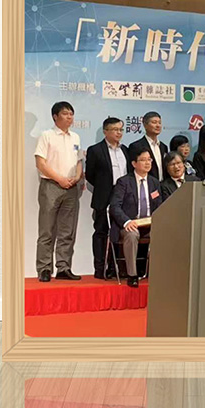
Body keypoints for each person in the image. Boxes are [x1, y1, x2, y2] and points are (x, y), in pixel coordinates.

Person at [34, 101, 84, 282]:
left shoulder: (75, 137)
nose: (69, 117)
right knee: (47, 230)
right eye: (65, 113)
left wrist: (77, 177)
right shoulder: (46, 136)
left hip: (71, 187)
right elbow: (40, 163)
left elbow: (79, 161)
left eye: (71, 113)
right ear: (55, 116)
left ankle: (63, 267)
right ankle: (44, 269)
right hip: (51, 186)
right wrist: (59, 179)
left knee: (67, 230)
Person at [109, 150, 163, 287]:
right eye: (143, 160)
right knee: (132, 234)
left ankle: (159, 273)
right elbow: (115, 206)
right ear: (134, 163)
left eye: (149, 159)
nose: (147, 163)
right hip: (129, 224)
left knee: (164, 233)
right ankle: (132, 275)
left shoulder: (154, 182)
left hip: (150, 224)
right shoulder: (124, 182)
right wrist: (126, 221)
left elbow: (160, 205)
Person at [85, 116, 129, 279]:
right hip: (104, 197)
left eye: (121, 129)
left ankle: (114, 268)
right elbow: (90, 175)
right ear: (105, 131)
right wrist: (104, 187)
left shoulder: (125, 150)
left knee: (118, 233)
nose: (119, 133)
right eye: (115, 129)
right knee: (101, 232)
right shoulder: (95, 150)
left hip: (123, 197)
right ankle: (99, 269)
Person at [128, 111, 168, 181]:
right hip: (145, 183)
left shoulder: (163, 147)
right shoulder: (136, 146)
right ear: (145, 125)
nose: (158, 125)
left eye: (159, 123)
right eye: (154, 122)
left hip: (162, 184)